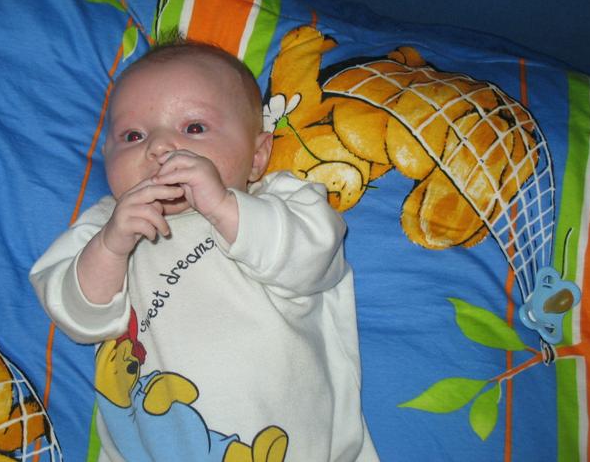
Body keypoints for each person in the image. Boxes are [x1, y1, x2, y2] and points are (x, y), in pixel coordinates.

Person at [30, 40, 378, 462]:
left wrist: (224, 207)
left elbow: (314, 260)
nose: (159, 147)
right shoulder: (106, 226)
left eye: (193, 128)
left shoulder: (282, 204)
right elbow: (75, 316)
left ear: (257, 156)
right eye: (133, 136)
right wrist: (111, 246)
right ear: (107, 157)